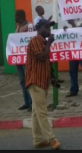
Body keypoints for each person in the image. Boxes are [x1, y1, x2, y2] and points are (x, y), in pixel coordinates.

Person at [25, 19, 61, 150]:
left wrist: (52, 78)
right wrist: (50, 43)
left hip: (42, 81)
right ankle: (52, 139)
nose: (49, 30)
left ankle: (38, 140)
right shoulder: (35, 41)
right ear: (39, 28)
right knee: (42, 112)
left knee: (36, 112)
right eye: (46, 27)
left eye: (49, 27)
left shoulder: (44, 42)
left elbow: (47, 63)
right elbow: (42, 57)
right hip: (35, 80)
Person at [63, 20, 82, 97]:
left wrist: (72, 24)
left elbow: (79, 32)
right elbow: (73, 33)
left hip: (81, 51)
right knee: (72, 71)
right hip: (73, 51)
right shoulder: (75, 22)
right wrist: (67, 30)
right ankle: (73, 90)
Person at [14, 9, 33, 111]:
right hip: (18, 58)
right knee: (22, 81)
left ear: (20, 16)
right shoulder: (18, 27)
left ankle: (31, 102)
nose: (14, 18)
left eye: (15, 16)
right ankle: (26, 102)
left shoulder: (29, 26)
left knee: (28, 80)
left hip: (27, 58)